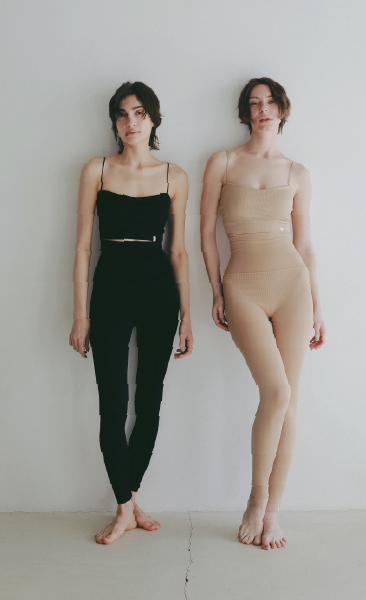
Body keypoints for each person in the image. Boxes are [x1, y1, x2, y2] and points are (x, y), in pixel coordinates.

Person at [200, 77, 326, 550]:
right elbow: (206, 233)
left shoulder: (298, 173)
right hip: (243, 286)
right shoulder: (223, 161)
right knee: (275, 391)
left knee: (289, 400)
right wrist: (216, 290)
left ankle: (273, 512)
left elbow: (305, 246)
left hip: (293, 286)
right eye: (254, 103)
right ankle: (256, 499)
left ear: (282, 109)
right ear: (245, 113)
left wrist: (318, 305)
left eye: (270, 102)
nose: (263, 109)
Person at [69, 81, 193, 545]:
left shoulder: (174, 176)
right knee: (112, 401)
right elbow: (83, 248)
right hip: (111, 289)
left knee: (150, 399)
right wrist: (80, 315)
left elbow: (178, 252)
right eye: (122, 114)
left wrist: (188, 316)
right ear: (114, 122)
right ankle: (125, 506)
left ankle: (129, 497)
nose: (131, 122)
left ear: (153, 118)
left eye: (139, 112)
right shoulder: (96, 169)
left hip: (159, 291)